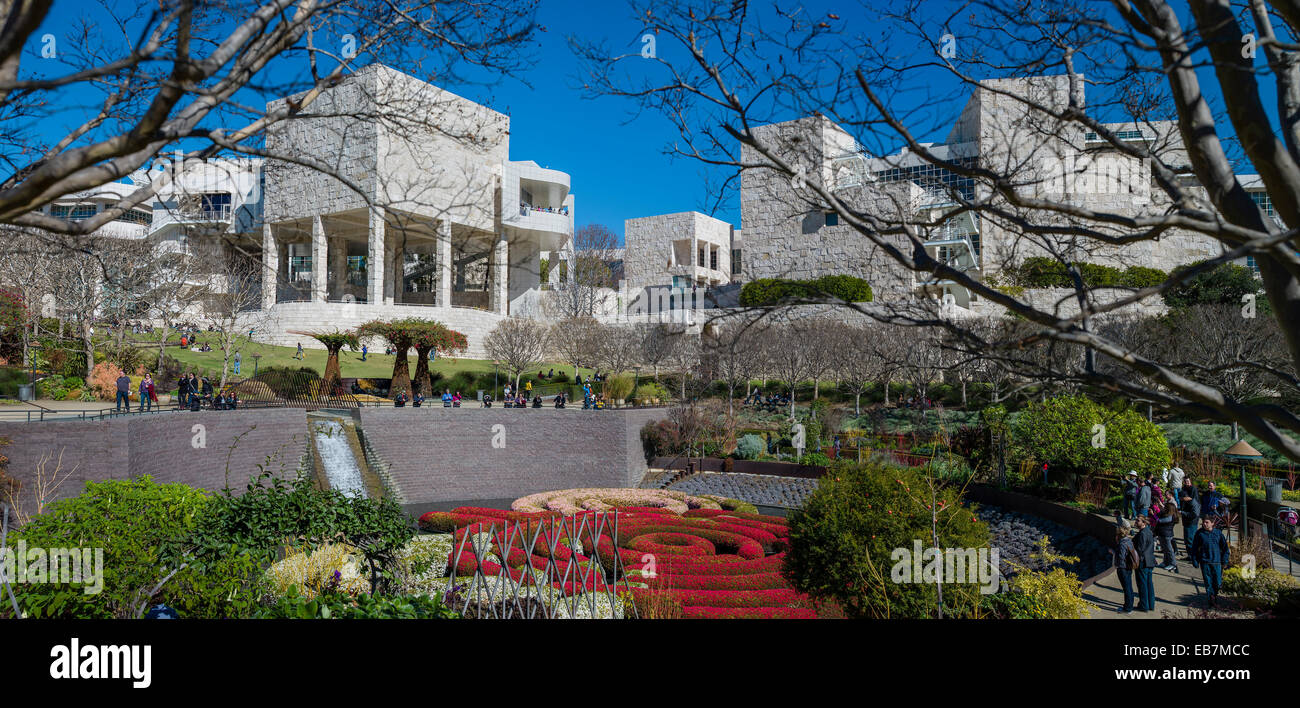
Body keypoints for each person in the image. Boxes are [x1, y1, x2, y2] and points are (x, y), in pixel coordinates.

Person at [1190, 516, 1231, 608]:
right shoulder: (1199, 533)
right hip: (1205, 562)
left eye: (1207, 522)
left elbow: (1225, 548)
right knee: (1208, 582)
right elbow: (1194, 548)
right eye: (1204, 522)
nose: (1204, 524)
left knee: (1217, 582)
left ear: (1212, 523)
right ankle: (1211, 600)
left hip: (1216, 562)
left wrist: (1225, 560)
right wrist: (1195, 560)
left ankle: (1214, 595)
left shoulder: (1218, 533)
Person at [1113, 520, 1138, 614]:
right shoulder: (1129, 541)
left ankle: (1128, 608)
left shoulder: (1122, 544)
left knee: (1126, 588)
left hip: (1122, 568)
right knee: (1129, 587)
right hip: (1128, 567)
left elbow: (1121, 557)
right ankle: (1129, 605)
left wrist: (1114, 555)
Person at [1133, 516, 1158, 612]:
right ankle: (1150, 604)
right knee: (1149, 584)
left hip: (1143, 562)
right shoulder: (1148, 532)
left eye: (1138, 520)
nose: (1136, 522)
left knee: (1142, 584)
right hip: (1149, 561)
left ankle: (1144, 605)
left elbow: (1140, 550)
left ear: (1144, 523)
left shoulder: (1142, 534)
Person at [1155, 501, 1179, 572]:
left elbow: (1159, 521)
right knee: (1165, 550)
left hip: (1166, 535)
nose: (1164, 508)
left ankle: (1173, 564)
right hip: (1163, 534)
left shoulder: (1170, 517)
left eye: (1165, 507)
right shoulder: (1167, 514)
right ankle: (1165, 562)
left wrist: (1154, 515)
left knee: (1169, 550)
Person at [1179, 489, 1200, 560]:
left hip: (1191, 524)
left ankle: (1193, 557)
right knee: (1187, 540)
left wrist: (1183, 513)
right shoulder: (1187, 502)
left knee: (1190, 540)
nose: (1181, 500)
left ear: (1185, 497)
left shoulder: (1193, 503)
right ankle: (1190, 556)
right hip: (1187, 523)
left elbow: (1195, 514)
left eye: (1181, 498)